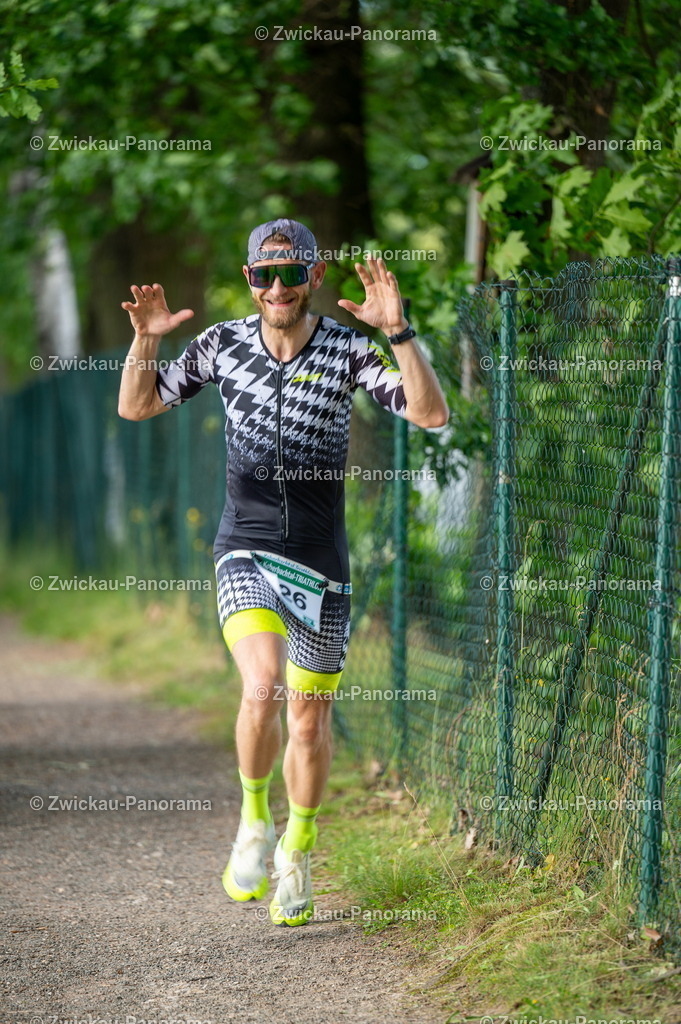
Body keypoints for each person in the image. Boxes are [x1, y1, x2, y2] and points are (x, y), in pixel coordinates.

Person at [118, 217, 448, 926]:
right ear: (248, 280)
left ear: (313, 279)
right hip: (245, 544)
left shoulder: (346, 349)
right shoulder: (220, 344)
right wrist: (147, 339)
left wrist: (397, 331)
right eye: (264, 275)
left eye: (292, 274)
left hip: (320, 561)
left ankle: (297, 849)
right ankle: (253, 820)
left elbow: (428, 412)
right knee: (262, 683)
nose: (278, 287)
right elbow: (137, 405)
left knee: (307, 720)